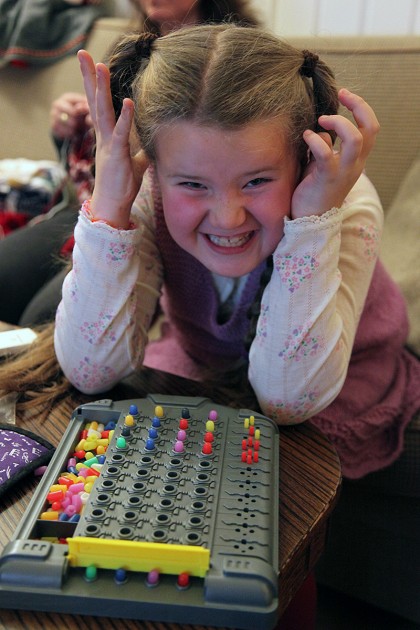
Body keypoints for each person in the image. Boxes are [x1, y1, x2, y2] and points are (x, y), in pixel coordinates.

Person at [0, 0, 260, 326]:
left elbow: (227, 156)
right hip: (95, 205)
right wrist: (73, 125)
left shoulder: (240, 54)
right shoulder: (132, 47)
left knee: (43, 316)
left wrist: (135, 139)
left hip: (157, 218)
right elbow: (98, 162)